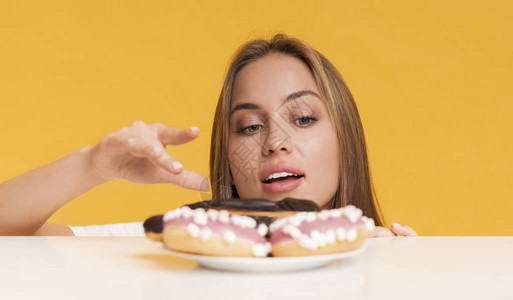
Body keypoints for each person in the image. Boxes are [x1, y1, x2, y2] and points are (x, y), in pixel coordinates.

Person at [0, 34, 416, 237]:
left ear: (347, 141)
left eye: (303, 119)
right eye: (250, 127)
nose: (274, 141)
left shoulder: (389, 258)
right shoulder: (166, 247)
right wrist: (92, 165)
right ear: (227, 154)